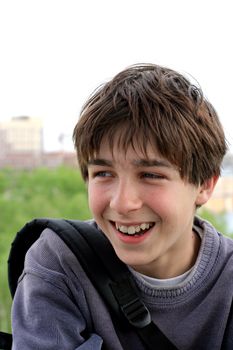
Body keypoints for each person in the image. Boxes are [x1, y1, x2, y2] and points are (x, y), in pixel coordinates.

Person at [12, 63, 232, 350]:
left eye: (151, 175)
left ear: (204, 185)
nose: (123, 203)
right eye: (103, 173)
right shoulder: (60, 262)